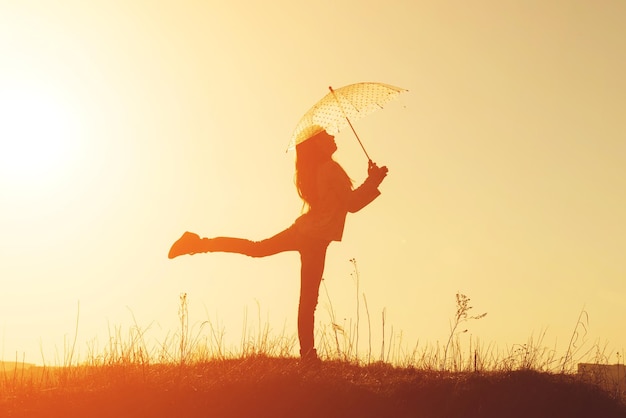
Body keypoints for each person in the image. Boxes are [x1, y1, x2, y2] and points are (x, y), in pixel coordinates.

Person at [168, 128, 388, 363]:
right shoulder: (331, 169)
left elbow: (345, 203)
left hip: (308, 232)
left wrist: (371, 180)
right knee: (307, 298)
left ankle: (198, 244)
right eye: (327, 136)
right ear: (318, 144)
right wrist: (373, 180)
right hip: (314, 238)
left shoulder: (318, 169)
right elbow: (352, 204)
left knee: (258, 249)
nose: (333, 137)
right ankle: (308, 356)